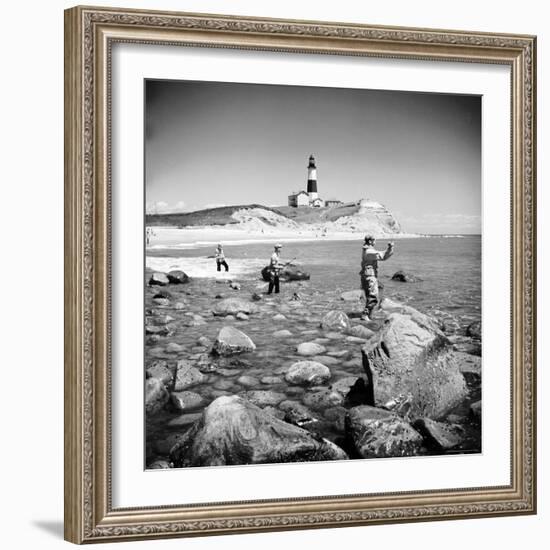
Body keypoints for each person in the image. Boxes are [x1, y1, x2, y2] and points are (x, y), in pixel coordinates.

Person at [360, 235, 394, 321]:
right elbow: (383, 256)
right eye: (374, 240)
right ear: (370, 241)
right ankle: (365, 314)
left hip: (366, 276)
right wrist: (390, 247)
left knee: (371, 295)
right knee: (373, 296)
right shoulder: (369, 251)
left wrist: (389, 248)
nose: (375, 241)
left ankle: (369, 315)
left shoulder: (366, 250)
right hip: (370, 276)